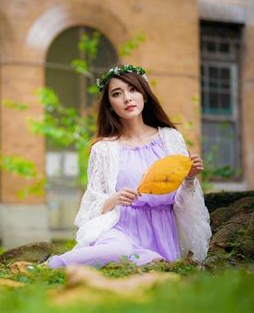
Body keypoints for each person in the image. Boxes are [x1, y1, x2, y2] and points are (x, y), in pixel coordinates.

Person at [47, 65, 212, 269]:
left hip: (162, 227)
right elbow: (92, 201)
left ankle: (148, 258)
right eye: (117, 93)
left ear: (145, 95)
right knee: (118, 251)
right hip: (120, 226)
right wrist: (113, 199)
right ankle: (52, 265)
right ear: (110, 105)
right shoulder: (104, 149)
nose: (127, 98)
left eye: (133, 89)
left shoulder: (170, 138)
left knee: (151, 263)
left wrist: (189, 178)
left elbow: (183, 202)